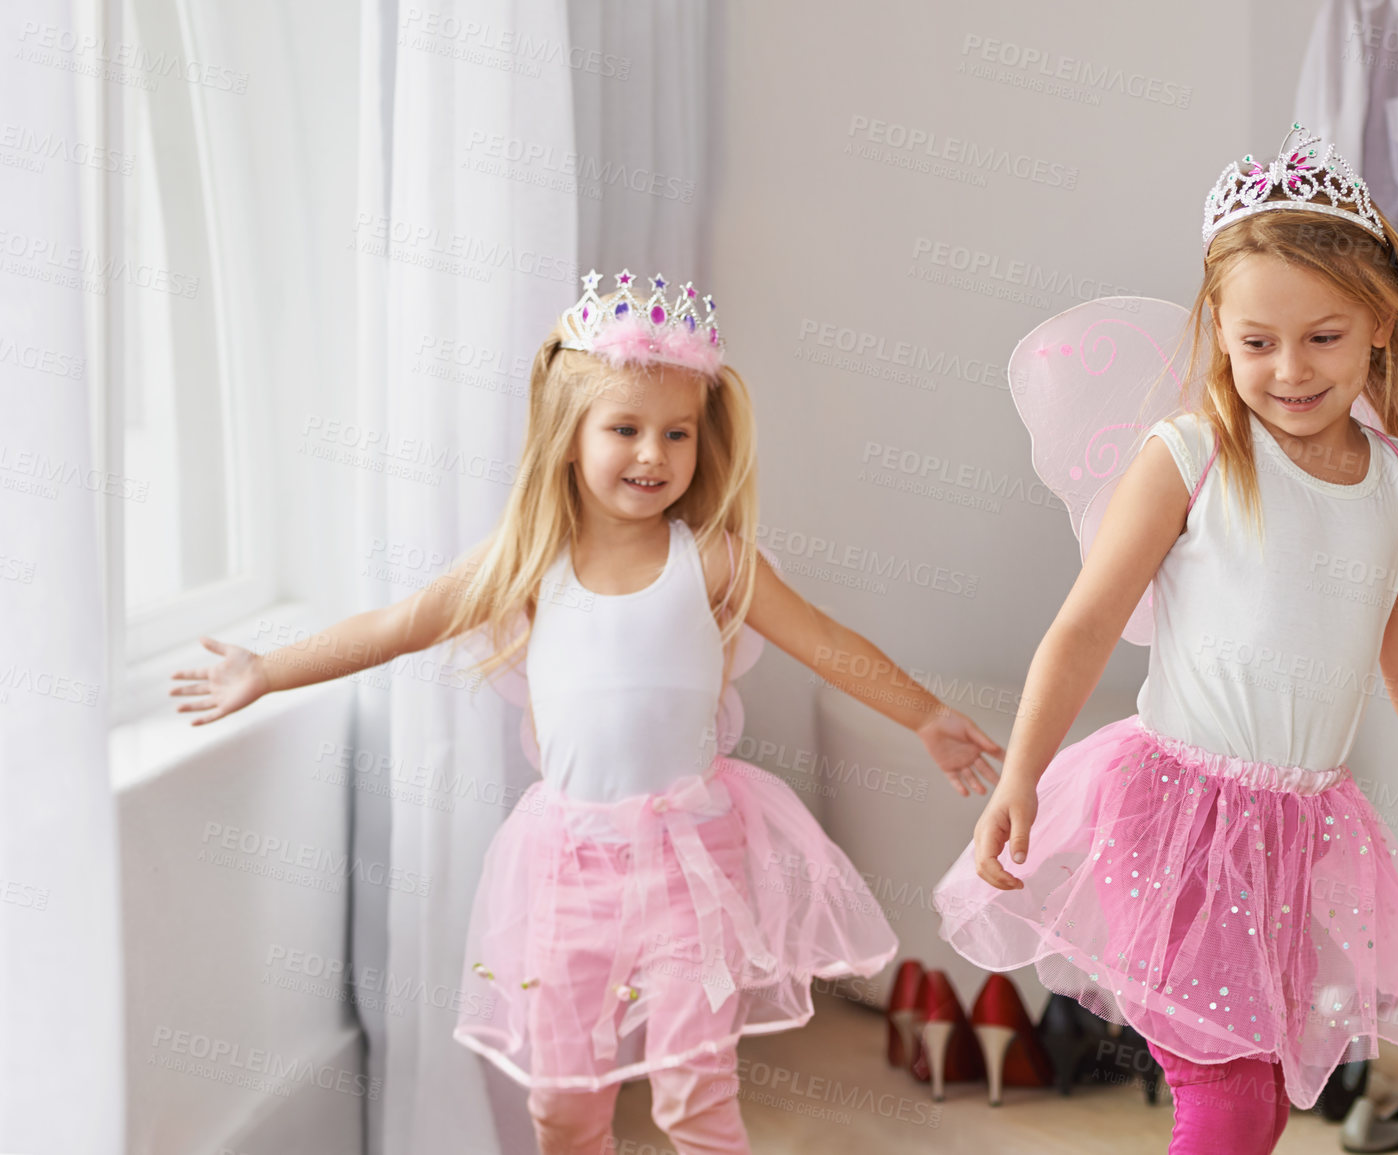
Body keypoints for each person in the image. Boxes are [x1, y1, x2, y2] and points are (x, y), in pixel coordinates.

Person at [170, 269, 1003, 1154]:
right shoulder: (528, 562)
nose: (653, 454)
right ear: (569, 438)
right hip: (567, 870)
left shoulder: (712, 559)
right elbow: (397, 624)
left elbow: (825, 640)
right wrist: (267, 668)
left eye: (676, 433)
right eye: (625, 430)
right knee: (564, 1108)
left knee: (696, 1098)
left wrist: (922, 714)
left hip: (695, 858)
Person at [933, 125, 1398, 1155]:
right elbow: (1081, 627)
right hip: (1177, 822)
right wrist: (1020, 777)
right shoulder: (1194, 454)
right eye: (1256, 342)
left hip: (1302, 833)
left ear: (1382, 324)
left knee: (1259, 1103)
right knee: (1228, 1102)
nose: (1289, 370)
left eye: (1323, 337)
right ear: (1218, 328)